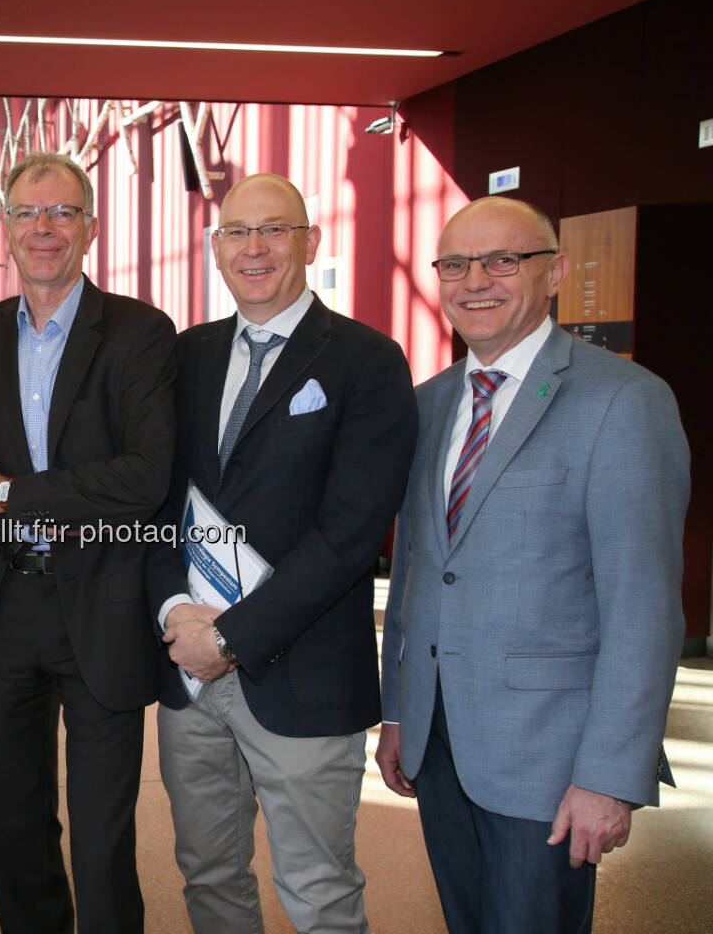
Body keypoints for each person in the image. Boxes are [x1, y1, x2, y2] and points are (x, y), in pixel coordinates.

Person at [376, 195, 688, 934]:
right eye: (455, 263)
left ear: (556, 273)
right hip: (438, 741)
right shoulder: (426, 405)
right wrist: (397, 712)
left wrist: (610, 776)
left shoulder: (623, 402)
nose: (474, 279)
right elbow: (419, 569)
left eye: (502, 260)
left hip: (549, 757)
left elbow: (643, 608)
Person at [147, 172, 417, 934]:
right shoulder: (188, 356)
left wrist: (231, 638)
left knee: (319, 892)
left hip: (300, 674)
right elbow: (159, 505)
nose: (255, 248)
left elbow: (350, 535)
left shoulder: (366, 360)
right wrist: (179, 617)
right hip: (189, 674)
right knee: (207, 876)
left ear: (311, 243)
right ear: (215, 248)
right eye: (237, 232)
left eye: (274, 230)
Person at [0, 152, 176, 933]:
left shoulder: (140, 333)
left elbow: (145, 478)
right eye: (27, 213)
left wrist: (14, 494)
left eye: (62, 212)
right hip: (6, 604)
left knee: (102, 837)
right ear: (4, 227)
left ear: (90, 227)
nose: (44, 228)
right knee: (14, 826)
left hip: (101, 604)